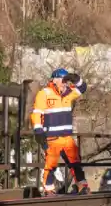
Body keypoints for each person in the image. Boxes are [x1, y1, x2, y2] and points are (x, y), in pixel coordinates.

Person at [31, 68, 89, 196]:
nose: (65, 84)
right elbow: (37, 113)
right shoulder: (44, 93)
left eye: (66, 81)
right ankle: (48, 189)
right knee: (51, 164)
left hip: (66, 137)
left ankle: (82, 185)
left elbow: (83, 88)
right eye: (62, 81)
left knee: (75, 162)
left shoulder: (69, 93)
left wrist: (77, 80)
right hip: (52, 137)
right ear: (54, 80)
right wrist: (38, 130)